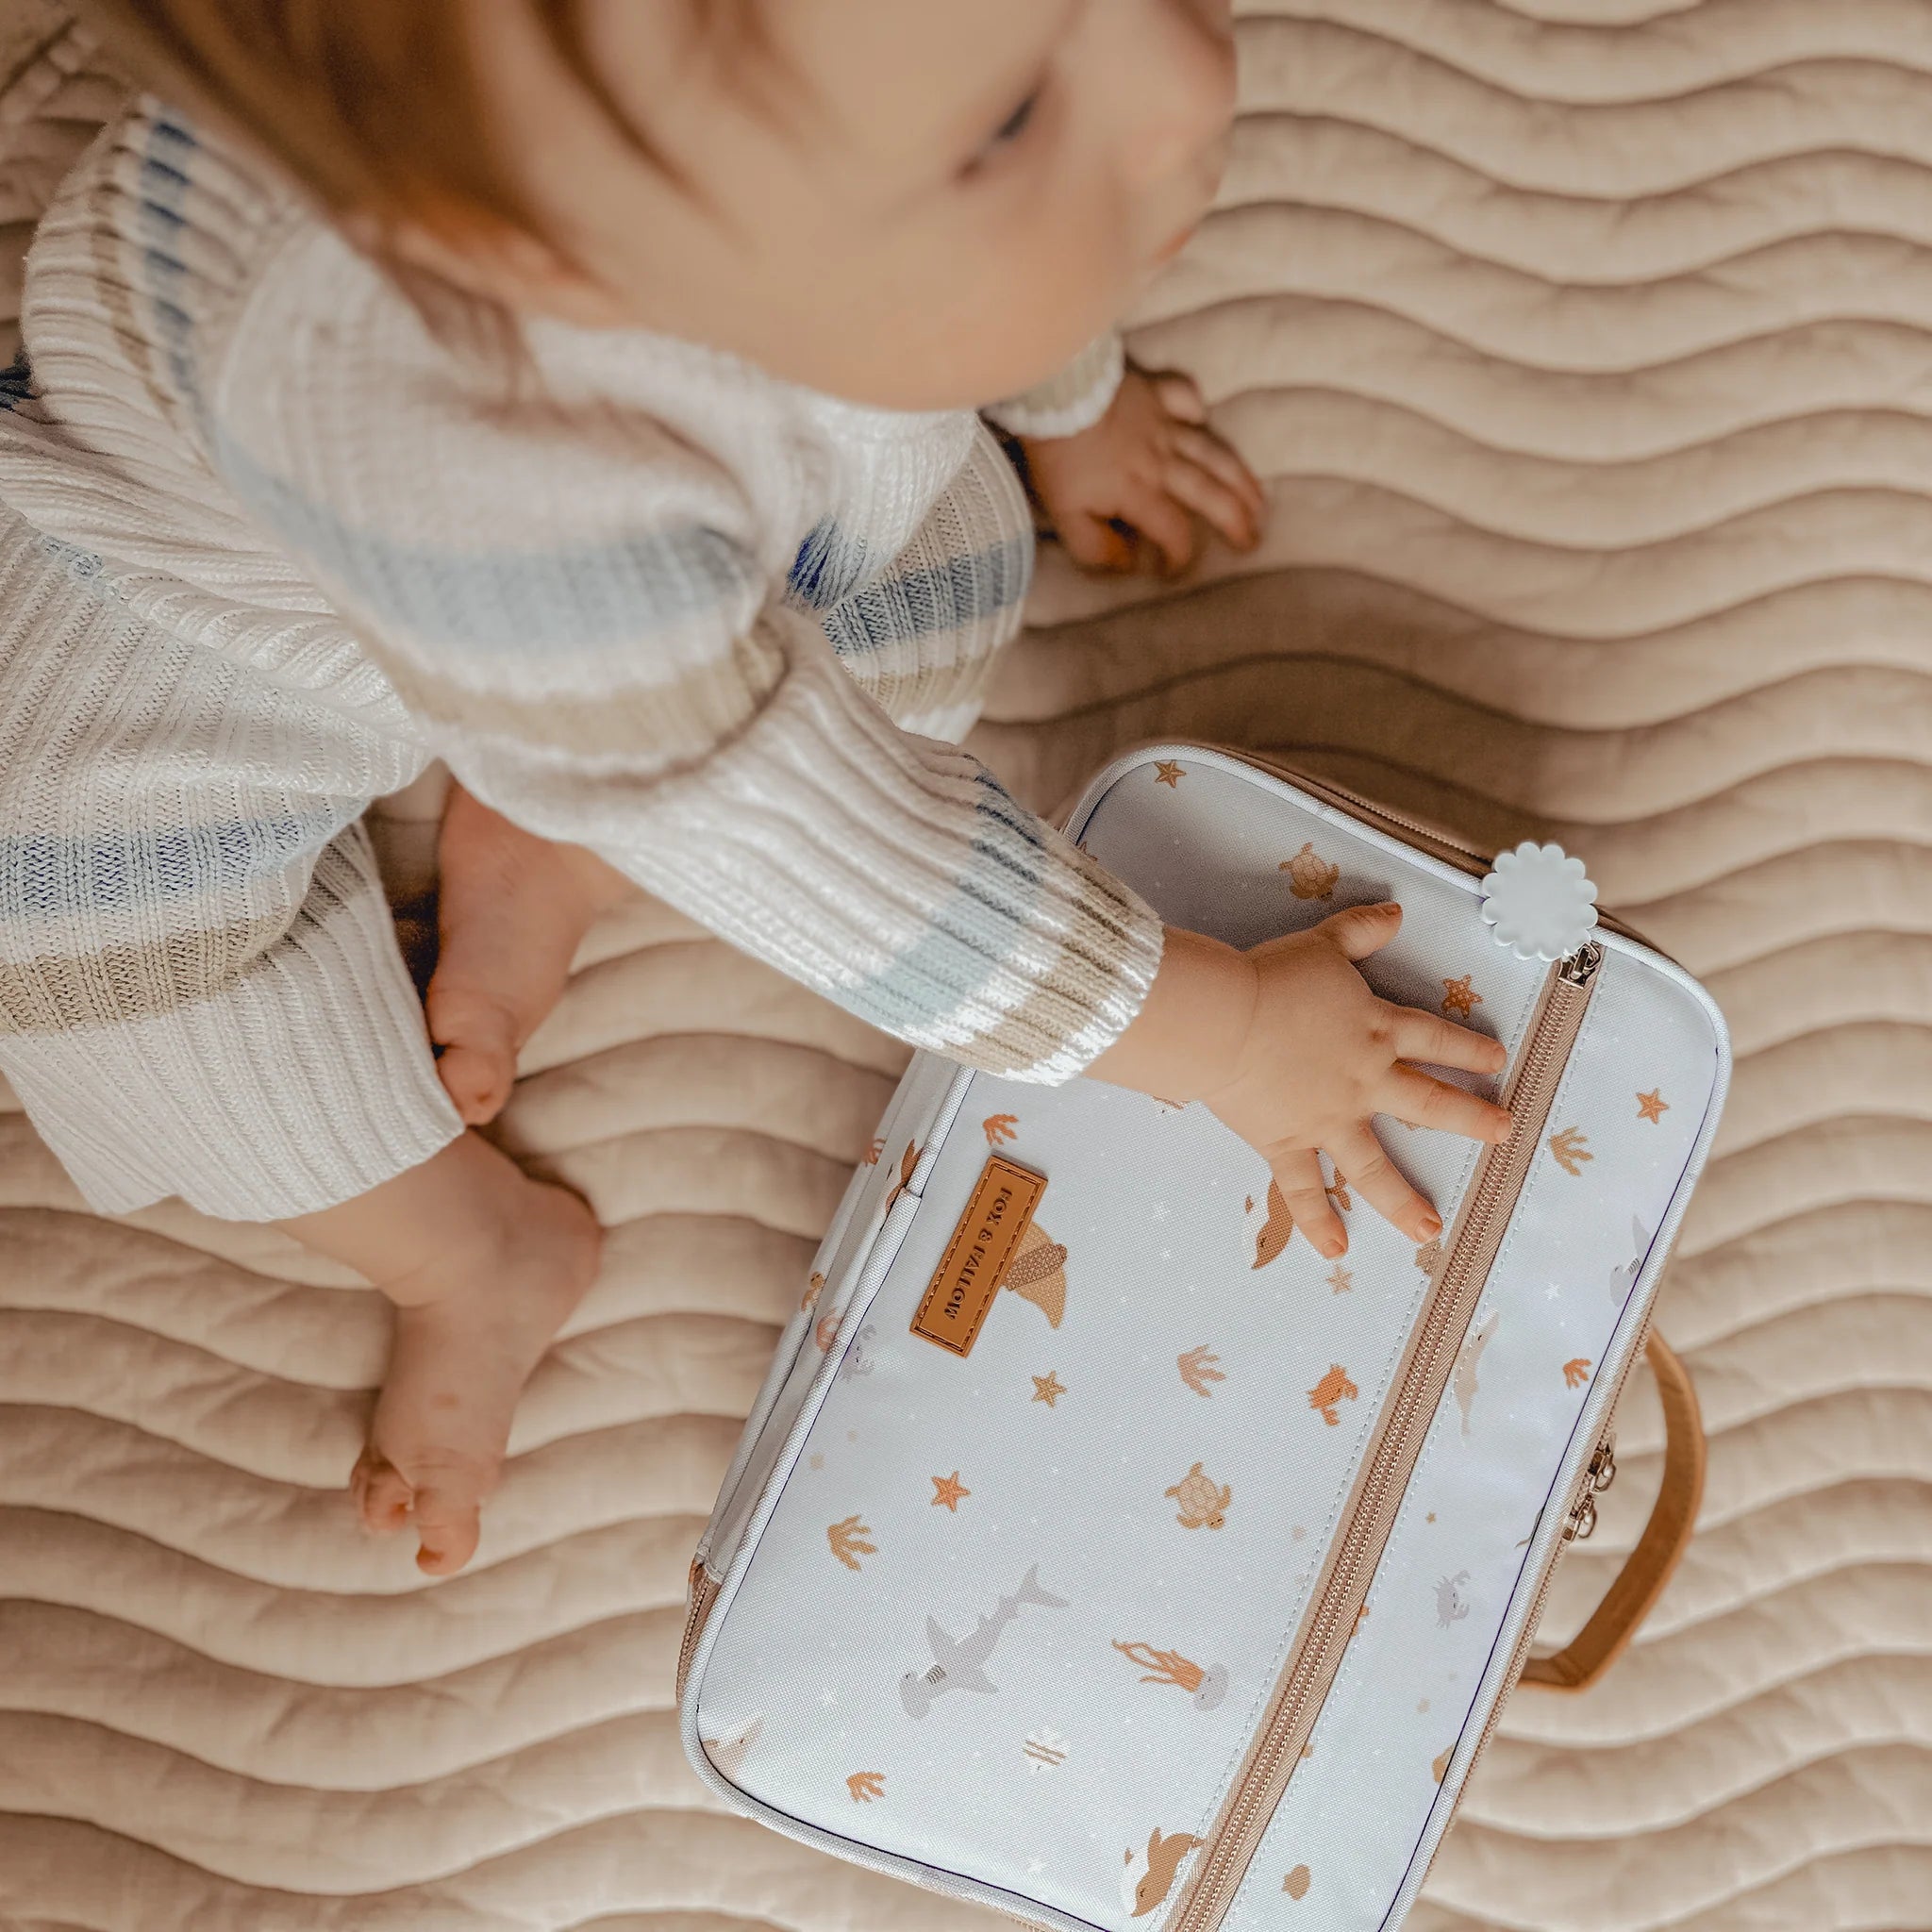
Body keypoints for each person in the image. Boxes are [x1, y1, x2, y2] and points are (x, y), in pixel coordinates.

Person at [0, 0, 1510, 1575]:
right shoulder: (468, 427)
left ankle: (567, 810)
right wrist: (1221, 1032)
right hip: (199, 617)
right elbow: (851, 864)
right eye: (1004, 126)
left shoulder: (798, 134)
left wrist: (1067, 394)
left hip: (742, 540)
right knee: (77, 945)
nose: (1193, 78)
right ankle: (470, 1254)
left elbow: (937, 122)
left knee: (940, 563)